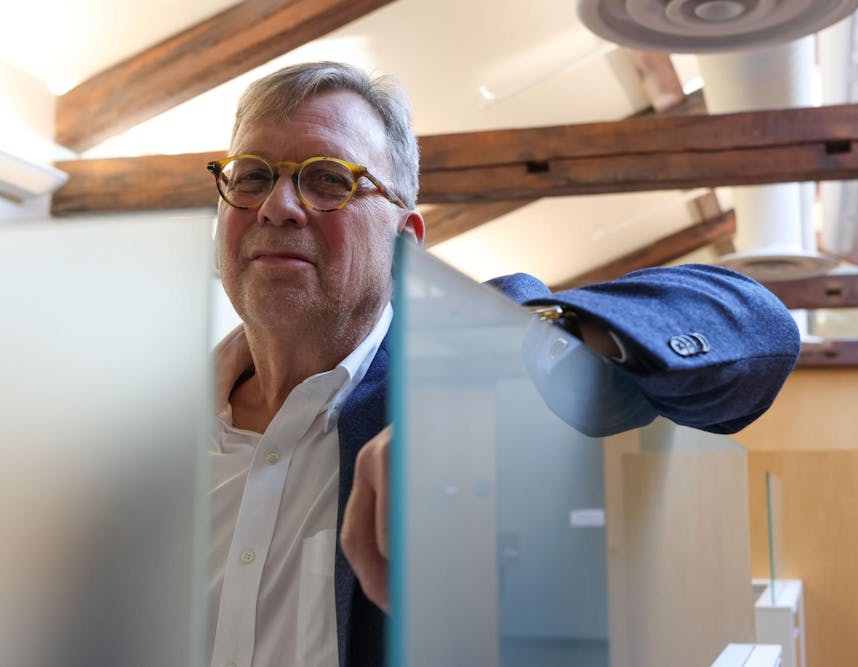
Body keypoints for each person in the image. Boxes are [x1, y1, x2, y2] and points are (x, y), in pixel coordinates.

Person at [209, 61, 800, 667]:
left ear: (405, 243)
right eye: (251, 176)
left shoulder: (456, 380)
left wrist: (515, 362)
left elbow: (759, 325)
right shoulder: (161, 431)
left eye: (329, 180)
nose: (277, 206)